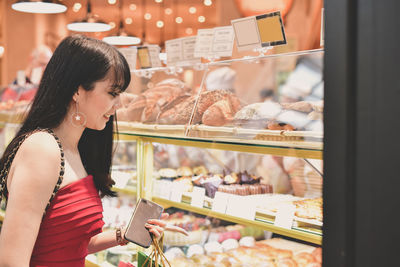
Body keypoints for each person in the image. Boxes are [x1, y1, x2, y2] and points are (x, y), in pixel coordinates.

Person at [0, 35, 169, 267]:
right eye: (112, 93)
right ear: (77, 91)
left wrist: (127, 233)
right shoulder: (42, 149)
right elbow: (11, 261)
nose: (118, 104)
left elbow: (67, 243)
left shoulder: (73, 149)